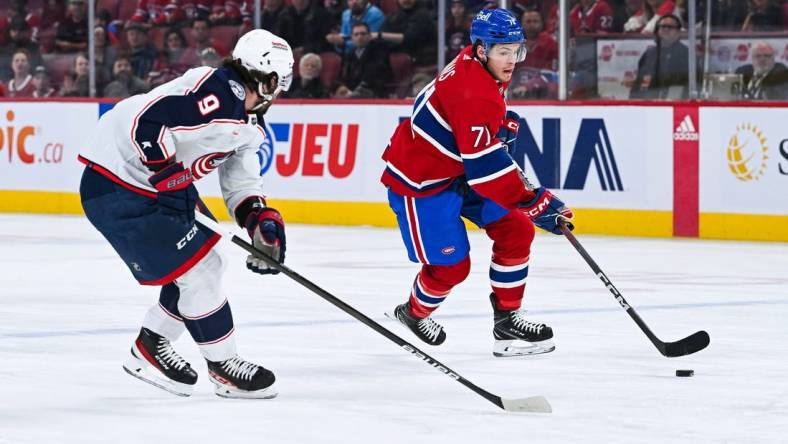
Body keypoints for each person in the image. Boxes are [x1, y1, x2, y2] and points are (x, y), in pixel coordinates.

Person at [78, 29, 294, 398]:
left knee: (207, 262)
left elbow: (241, 183)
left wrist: (261, 219)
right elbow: (147, 122)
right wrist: (170, 178)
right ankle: (223, 367)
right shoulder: (218, 90)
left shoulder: (248, 122)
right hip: (117, 184)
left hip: (151, 185)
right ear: (271, 77)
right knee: (201, 270)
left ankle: (150, 346)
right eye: (283, 80)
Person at [380, 9, 573, 357]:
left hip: (458, 170)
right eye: (503, 51)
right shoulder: (473, 90)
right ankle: (413, 313)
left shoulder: (478, 63)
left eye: (517, 50)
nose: (512, 60)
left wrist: (496, 128)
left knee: (516, 230)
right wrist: (533, 201)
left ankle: (508, 321)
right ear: (481, 49)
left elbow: (474, 141)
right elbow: (485, 167)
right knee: (453, 267)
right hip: (422, 181)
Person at [629, 14, 688, 99]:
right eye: (663, 26)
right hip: (648, 103)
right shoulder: (649, 54)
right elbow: (640, 82)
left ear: (678, 32)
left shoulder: (686, 54)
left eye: (670, 27)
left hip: (675, 103)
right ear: (657, 30)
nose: (666, 29)